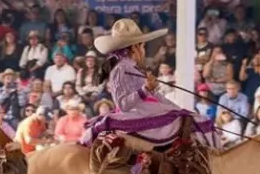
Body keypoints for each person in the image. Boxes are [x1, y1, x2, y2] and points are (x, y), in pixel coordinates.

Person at [80, 19, 219, 150]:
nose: (144, 50)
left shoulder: (133, 67)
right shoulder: (120, 69)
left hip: (146, 111)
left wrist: (179, 109)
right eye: (143, 47)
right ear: (135, 48)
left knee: (193, 119)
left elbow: (156, 96)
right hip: (135, 115)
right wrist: (145, 89)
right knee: (194, 121)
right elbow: (123, 104)